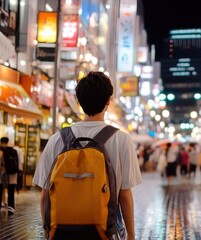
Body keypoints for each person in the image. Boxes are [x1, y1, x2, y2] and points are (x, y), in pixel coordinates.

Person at [32, 71, 143, 239]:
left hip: (62, 232)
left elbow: (44, 195)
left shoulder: (56, 139)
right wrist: (131, 235)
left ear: (79, 102)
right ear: (108, 101)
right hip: (104, 231)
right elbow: (124, 195)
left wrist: (47, 231)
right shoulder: (121, 140)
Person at [0, 137, 18, 216]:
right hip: (13, 175)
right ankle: (11, 210)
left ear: (1, 142)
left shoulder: (1, 151)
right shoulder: (14, 151)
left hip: (3, 176)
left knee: (0, 192)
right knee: (11, 193)